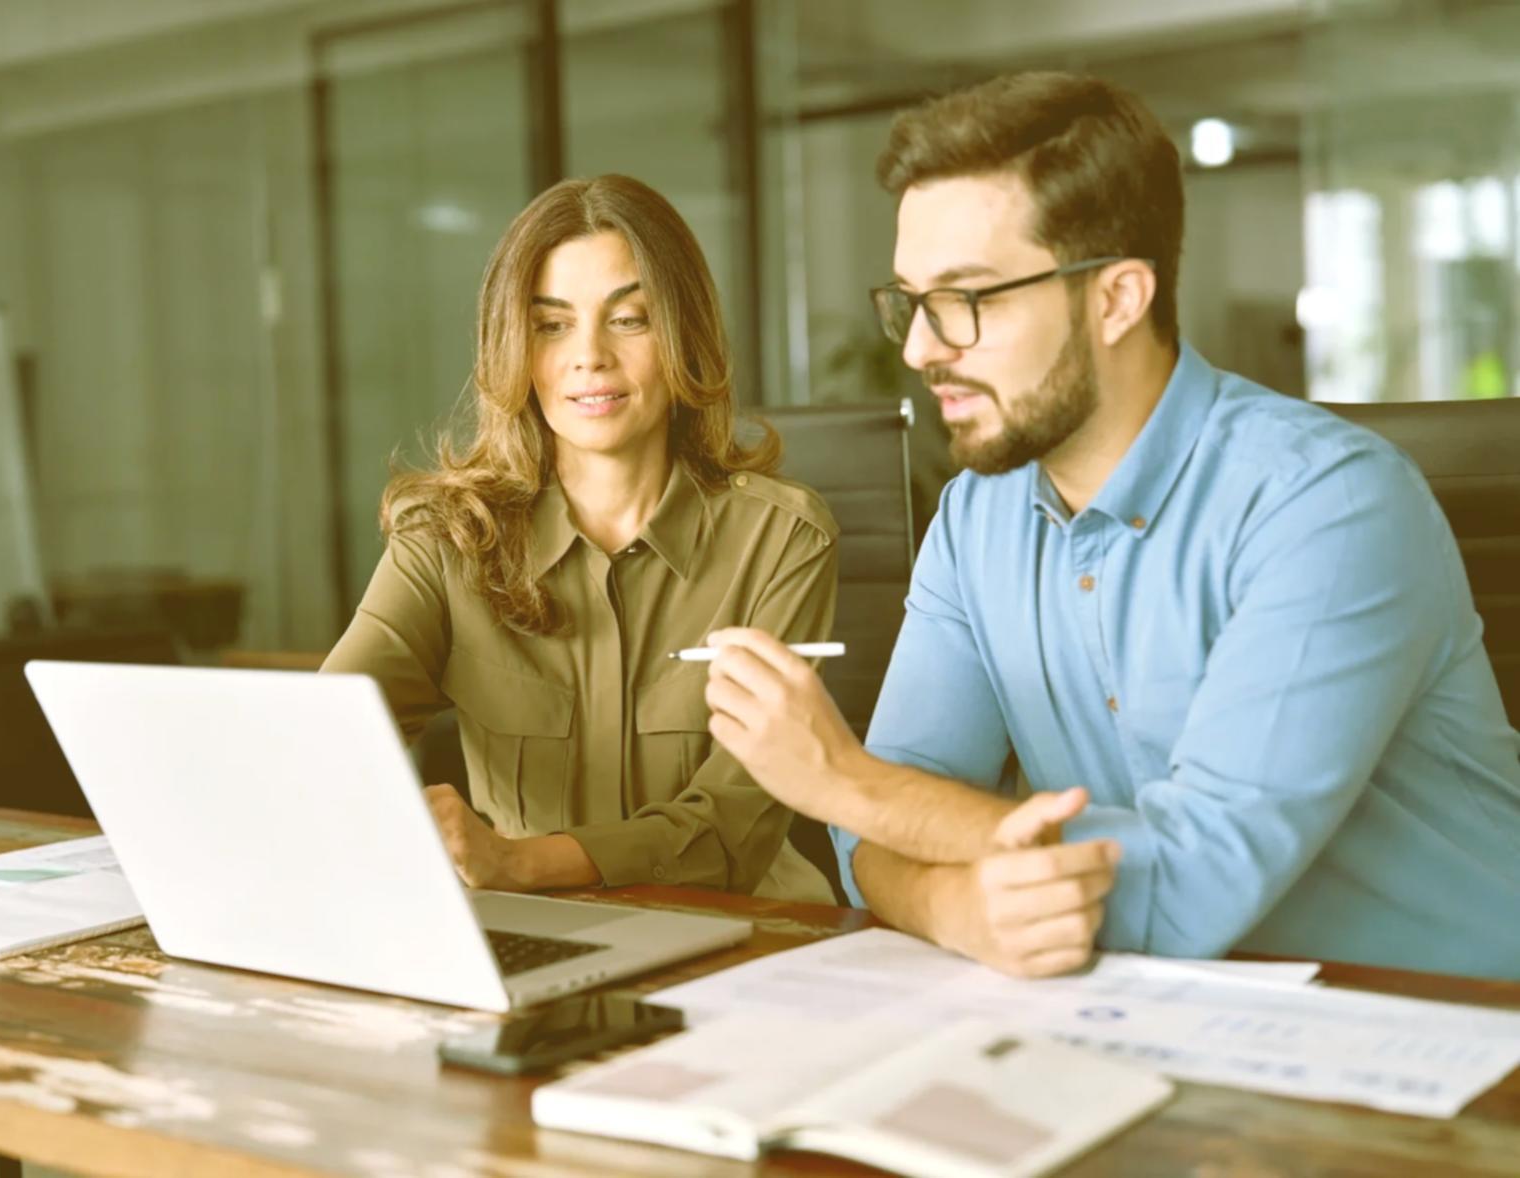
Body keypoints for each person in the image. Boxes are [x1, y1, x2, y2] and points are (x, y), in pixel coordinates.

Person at [703, 72, 1520, 979]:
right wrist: (955, 906)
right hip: (1168, 1025)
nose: (920, 348)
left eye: (967, 299)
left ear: (1118, 299)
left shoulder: (1330, 505)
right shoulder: (978, 518)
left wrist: (841, 779)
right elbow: (878, 843)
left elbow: (1187, 889)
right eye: (910, 300)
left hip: (1455, 1035)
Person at [322, 174, 839, 903]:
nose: (588, 356)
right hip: (530, 937)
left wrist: (518, 863)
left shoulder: (780, 539)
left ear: (683, 333)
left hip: (746, 934)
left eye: (629, 319)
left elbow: (733, 823)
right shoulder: (444, 541)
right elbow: (327, 734)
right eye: (551, 324)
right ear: (513, 344)